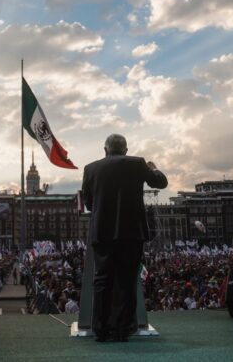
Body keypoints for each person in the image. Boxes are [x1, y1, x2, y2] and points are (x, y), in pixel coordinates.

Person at [81, 133, 168, 342]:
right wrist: (153, 167)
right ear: (126, 150)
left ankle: (101, 330)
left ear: (105, 150)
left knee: (102, 280)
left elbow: (89, 204)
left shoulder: (91, 168)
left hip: (102, 233)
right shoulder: (137, 164)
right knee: (127, 280)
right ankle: (121, 330)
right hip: (131, 233)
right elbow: (161, 183)